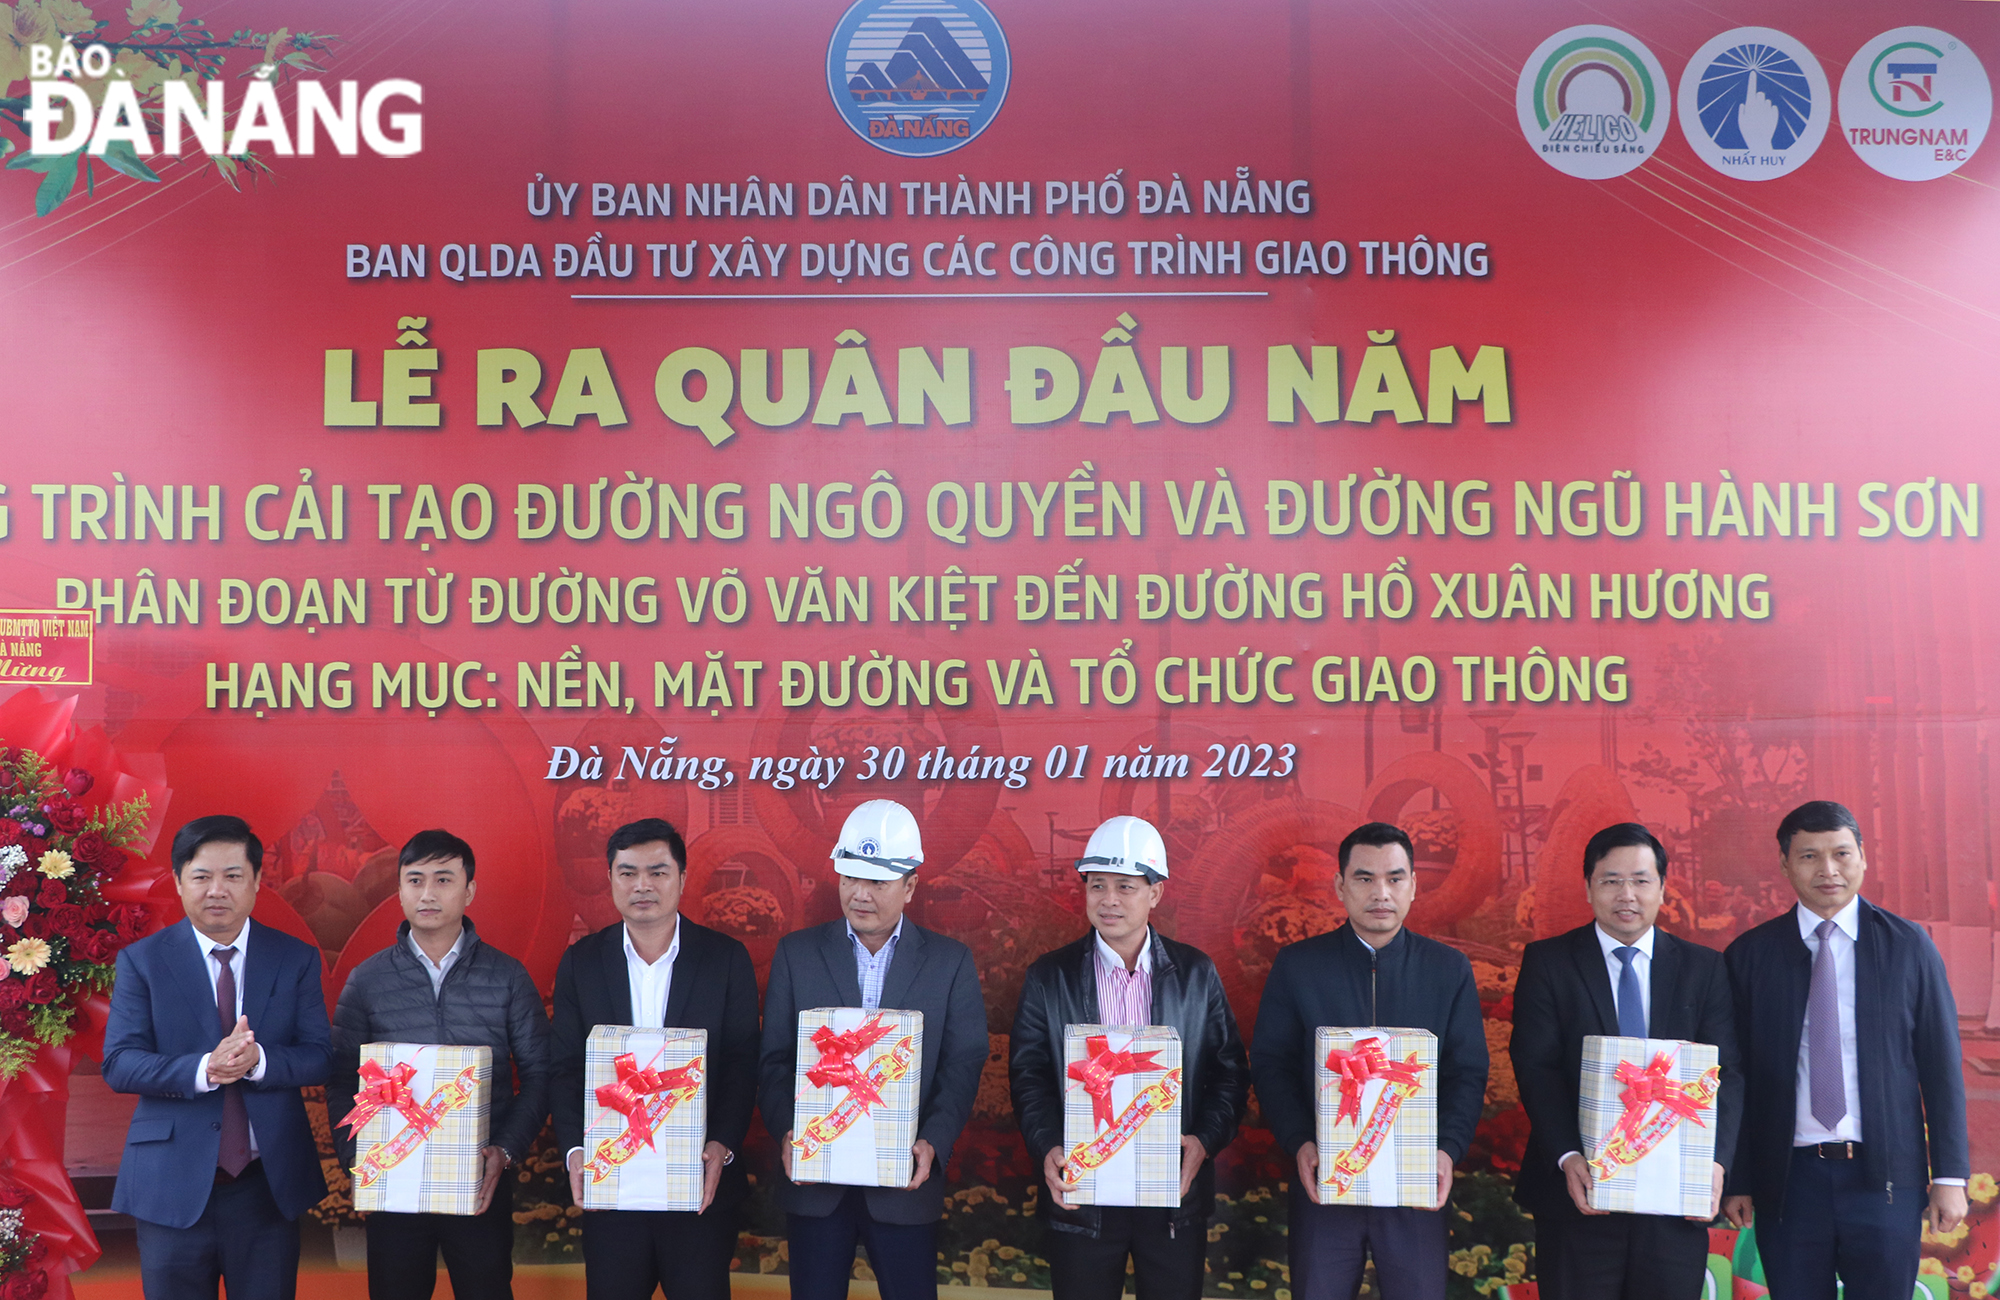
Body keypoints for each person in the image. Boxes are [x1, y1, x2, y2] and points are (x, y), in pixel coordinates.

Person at [1720, 801, 1968, 1299]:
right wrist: (1738, 1176)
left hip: (1884, 1179)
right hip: (1789, 1181)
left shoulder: (1907, 947)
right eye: (1809, 856)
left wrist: (1949, 1175)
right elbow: (1734, 1076)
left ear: (1863, 858)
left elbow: (1941, 1069)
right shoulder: (1750, 955)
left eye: (1841, 853)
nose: (1827, 870)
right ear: (1785, 865)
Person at [1009, 815, 1249, 1300]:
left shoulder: (1196, 974)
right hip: (1083, 1199)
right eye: (1097, 886)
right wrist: (1048, 1146)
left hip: (1171, 1201)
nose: (1109, 900)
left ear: (1155, 892)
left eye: (1125, 886)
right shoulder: (1048, 977)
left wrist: (1202, 1142)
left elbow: (1230, 1073)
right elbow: (1029, 1075)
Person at [758, 799, 988, 1300]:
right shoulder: (797, 955)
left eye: (878, 882)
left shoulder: (949, 963)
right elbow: (774, 1059)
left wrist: (934, 1140)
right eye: (849, 878)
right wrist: (787, 1133)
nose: (859, 894)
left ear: (909, 886)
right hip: (815, 1188)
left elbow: (963, 1063)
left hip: (905, 1185)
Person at [1249, 821, 1488, 1300]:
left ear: (1414, 886)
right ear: (1340, 885)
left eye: (1395, 878)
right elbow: (1270, 1063)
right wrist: (1300, 1141)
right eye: (1364, 878)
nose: (1381, 892)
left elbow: (1467, 1072)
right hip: (1325, 1183)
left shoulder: (1448, 970)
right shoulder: (1298, 966)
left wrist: (1447, 1149)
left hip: (1415, 1185)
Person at [102, 814, 333, 1300]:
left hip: (264, 1185)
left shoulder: (295, 958)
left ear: (255, 884)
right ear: (181, 884)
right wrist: (204, 1068)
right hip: (170, 1183)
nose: (217, 890)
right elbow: (120, 1062)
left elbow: (319, 1056)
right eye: (202, 876)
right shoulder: (143, 961)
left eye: (232, 876)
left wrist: (259, 1062)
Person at [1508, 822, 1742, 1300]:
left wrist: (1715, 1165)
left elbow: (1728, 1073)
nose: (1626, 894)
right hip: (1580, 1195)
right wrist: (1568, 1156)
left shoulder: (1703, 968)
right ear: (1589, 887)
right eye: (1611, 880)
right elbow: (1536, 1067)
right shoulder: (1549, 962)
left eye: (1640, 880)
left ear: (1662, 888)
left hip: (1675, 1199)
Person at [328, 829, 552, 1300]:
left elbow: (539, 1074)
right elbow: (342, 1079)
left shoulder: (507, 977)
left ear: (469, 890)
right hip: (394, 1186)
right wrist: (358, 1162)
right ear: (400, 890)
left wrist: (504, 1152)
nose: (428, 893)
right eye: (415, 880)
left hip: (479, 1182)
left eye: (444, 879)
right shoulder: (367, 980)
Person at [552, 817, 761, 1300]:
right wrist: (575, 1151)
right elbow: (563, 1067)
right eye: (627, 872)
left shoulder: (725, 958)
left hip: (698, 1189)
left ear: (683, 879)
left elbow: (740, 1061)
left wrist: (722, 1144)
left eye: (658, 871)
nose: (642, 885)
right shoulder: (582, 962)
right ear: (610, 880)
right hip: (612, 1188)